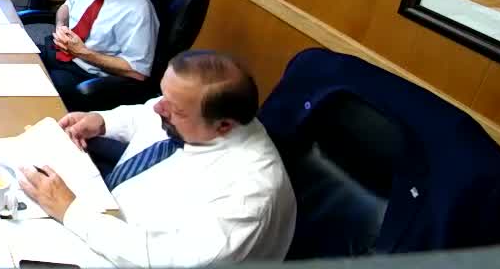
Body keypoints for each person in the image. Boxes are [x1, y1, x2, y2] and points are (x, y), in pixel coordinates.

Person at [19, 50, 297, 267]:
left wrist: (71, 211)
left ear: (224, 126)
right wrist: (103, 120)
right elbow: (145, 113)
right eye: (163, 94)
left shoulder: (249, 197)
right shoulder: (193, 116)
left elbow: (162, 257)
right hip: (107, 217)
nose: (158, 108)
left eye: (174, 109)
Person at [39, 0, 158, 104]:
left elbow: (137, 71)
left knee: (37, 93)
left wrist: (82, 52)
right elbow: (66, 7)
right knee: (18, 61)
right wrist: (60, 26)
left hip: (86, 73)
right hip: (58, 50)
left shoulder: (139, 11)